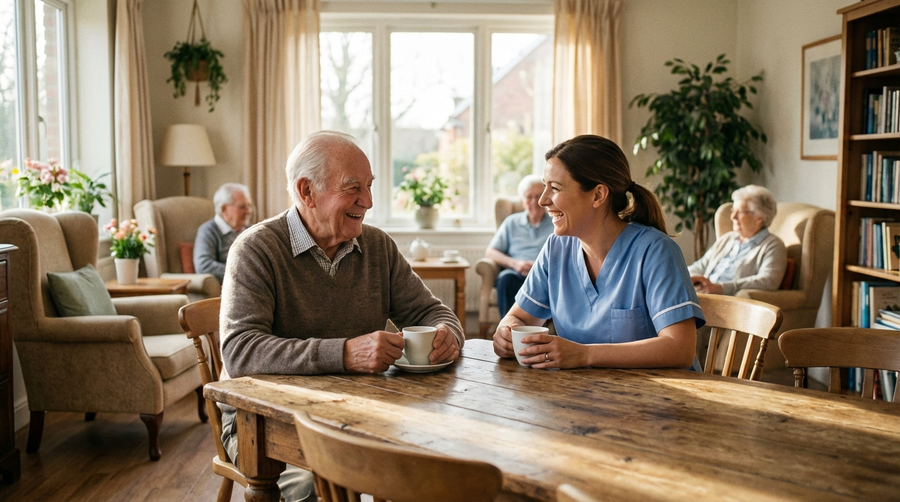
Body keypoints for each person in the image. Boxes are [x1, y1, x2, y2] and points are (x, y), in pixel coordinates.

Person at [218, 131, 464, 502]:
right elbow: (241, 352)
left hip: (360, 411)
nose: (368, 201)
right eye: (353, 189)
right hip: (268, 421)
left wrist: (448, 332)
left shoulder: (377, 246)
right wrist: (346, 353)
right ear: (307, 192)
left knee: (438, 469)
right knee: (323, 489)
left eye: (369, 186)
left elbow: (431, 310)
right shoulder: (256, 250)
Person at [492, 134, 704, 370]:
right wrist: (506, 332)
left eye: (554, 188)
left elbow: (680, 349)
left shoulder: (655, 251)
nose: (543, 200)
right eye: (545, 187)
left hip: (661, 398)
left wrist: (585, 355)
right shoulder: (556, 249)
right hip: (585, 396)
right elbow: (519, 318)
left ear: (598, 195)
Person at [688, 185, 787, 295]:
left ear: (759, 217)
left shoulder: (773, 245)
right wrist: (694, 279)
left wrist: (721, 288)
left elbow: (768, 281)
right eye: (732, 211)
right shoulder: (727, 239)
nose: (732, 217)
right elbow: (699, 266)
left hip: (727, 301)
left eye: (739, 212)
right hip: (703, 295)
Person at [486, 174, 554, 316]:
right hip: (518, 273)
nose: (535, 202)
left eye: (538, 196)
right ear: (522, 201)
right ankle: (509, 329)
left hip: (545, 275)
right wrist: (516, 264)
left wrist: (540, 267)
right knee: (506, 278)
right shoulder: (512, 222)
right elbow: (491, 251)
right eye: (529, 197)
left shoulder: (556, 222)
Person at [193, 183, 253, 283]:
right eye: (242, 207)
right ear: (223, 209)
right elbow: (203, 265)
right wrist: (242, 271)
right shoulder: (208, 231)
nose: (248, 211)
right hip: (232, 286)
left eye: (248, 206)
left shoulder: (251, 230)